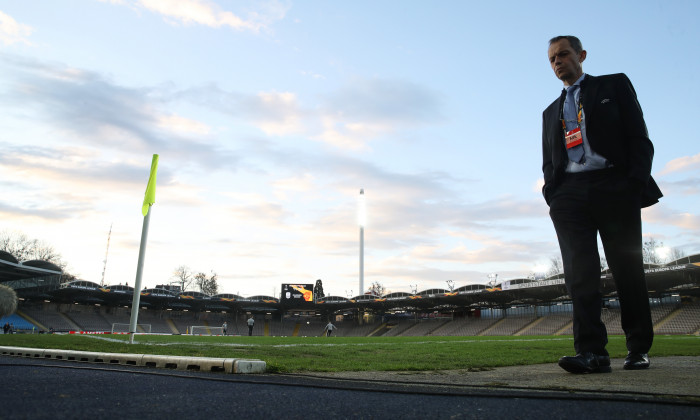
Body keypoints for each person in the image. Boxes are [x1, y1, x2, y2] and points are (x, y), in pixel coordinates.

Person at [542, 36, 662, 374]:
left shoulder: (613, 85)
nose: (557, 62)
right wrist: (554, 194)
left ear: (581, 55)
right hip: (569, 194)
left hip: (614, 185)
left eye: (563, 54)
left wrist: (633, 183)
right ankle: (591, 352)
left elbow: (639, 136)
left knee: (627, 270)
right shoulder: (550, 112)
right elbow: (549, 162)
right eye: (552, 59)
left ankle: (638, 348)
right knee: (580, 276)